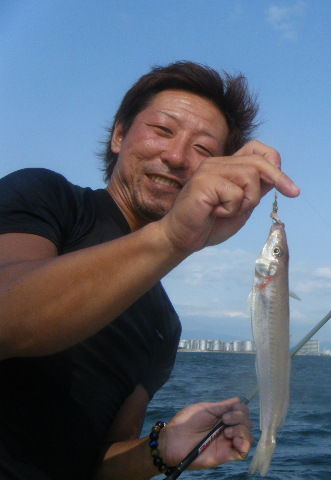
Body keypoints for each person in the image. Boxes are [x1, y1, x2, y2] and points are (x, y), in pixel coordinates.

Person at [0, 61, 300, 479]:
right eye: (162, 130)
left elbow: (97, 464)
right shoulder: (47, 198)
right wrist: (173, 238)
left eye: (203, 150)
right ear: (119, 135)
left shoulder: (163, 325)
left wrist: (161, 449)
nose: (175, 157)